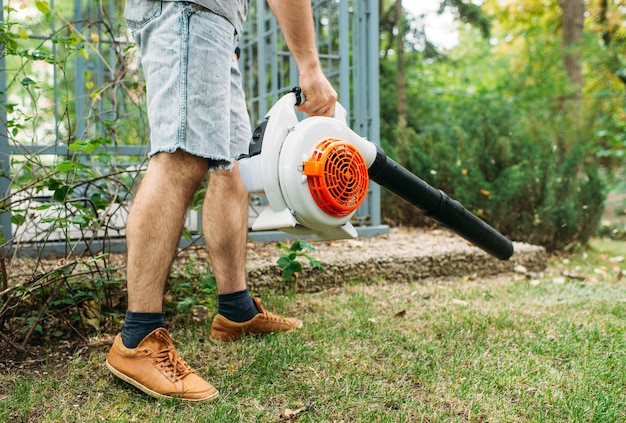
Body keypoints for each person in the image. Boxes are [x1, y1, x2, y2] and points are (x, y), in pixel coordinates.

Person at [105, 0, 338, 402]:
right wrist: (309, 66)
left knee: (230, 166)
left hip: (214, 20)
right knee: (180, 155)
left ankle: (236, 311)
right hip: (190, 9)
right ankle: (138, 337)